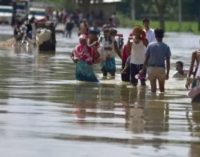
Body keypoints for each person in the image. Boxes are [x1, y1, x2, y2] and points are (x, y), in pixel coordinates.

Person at [140, 28, 171, 93]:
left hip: (151, 69)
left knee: (153, 90)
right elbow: (168, 62)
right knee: (162, 90)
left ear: (155, 36)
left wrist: (143, 70)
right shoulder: (166, 47)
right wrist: (167, 73)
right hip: (161, 69)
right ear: (163, 36)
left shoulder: (150, 45)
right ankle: (161, 102)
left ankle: (153, 102)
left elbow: (146, 59)